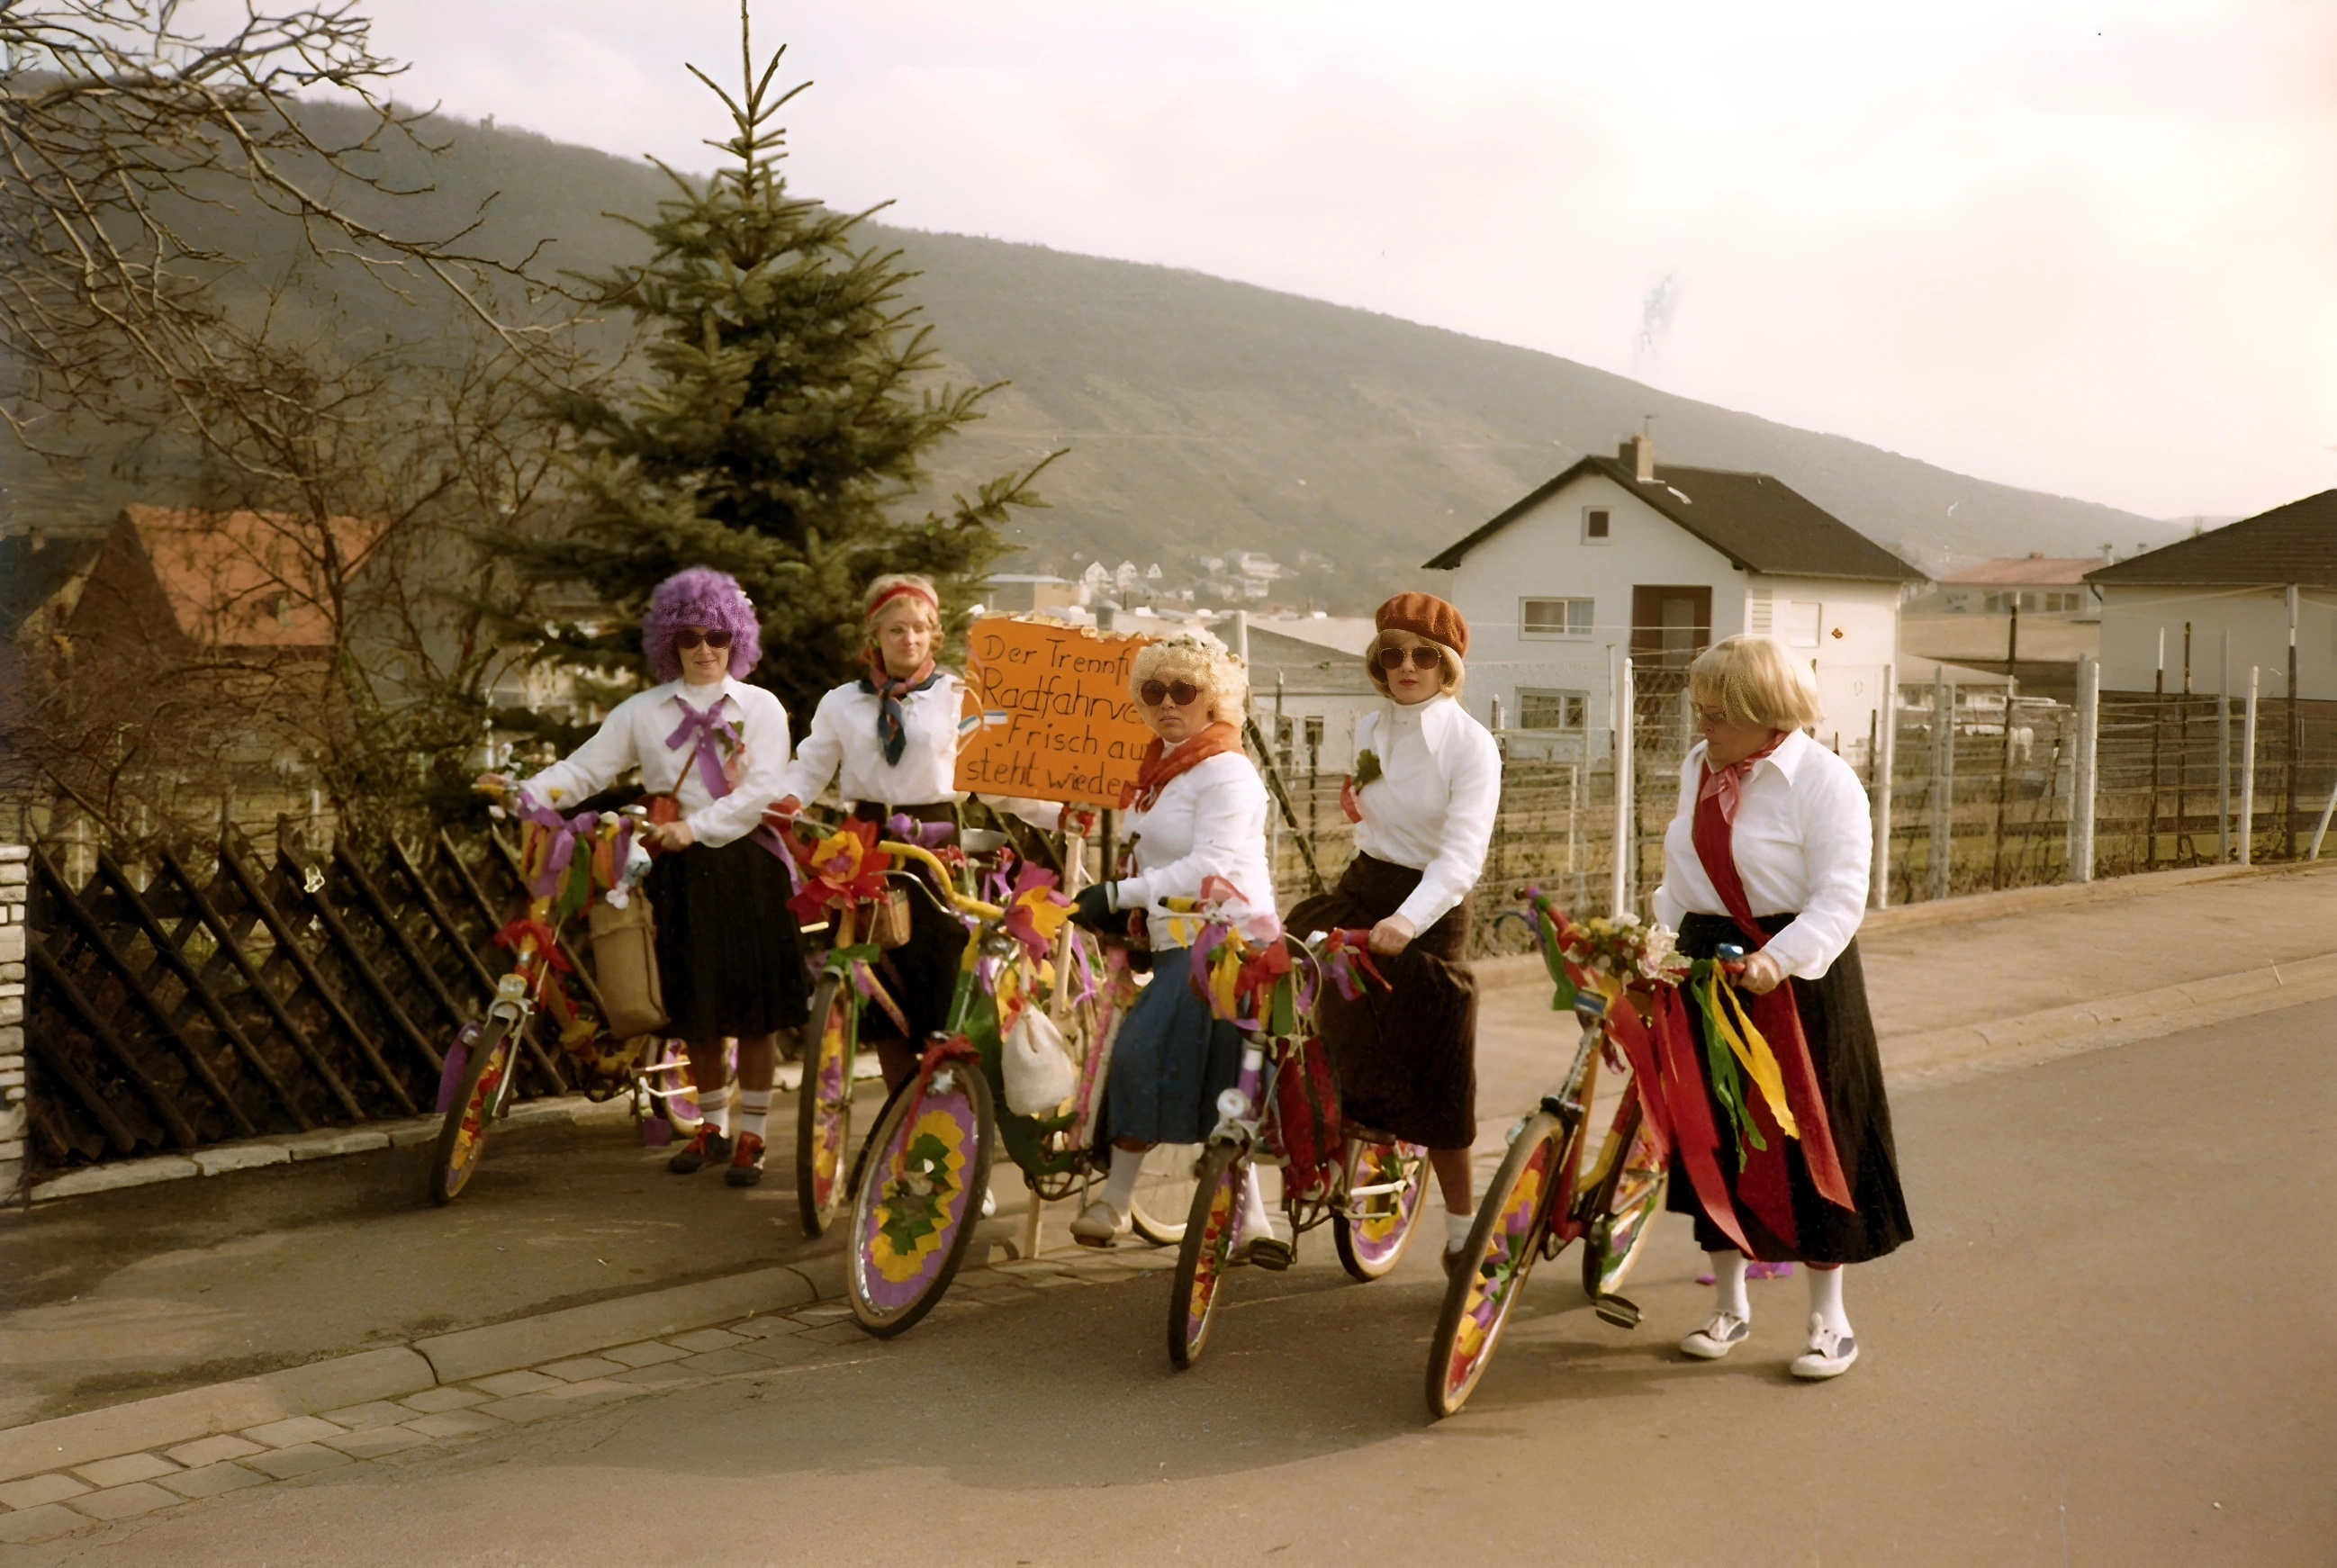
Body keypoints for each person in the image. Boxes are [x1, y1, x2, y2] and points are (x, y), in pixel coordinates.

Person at [482, 568, 805, 1189]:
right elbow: (586, 770)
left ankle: (755, 1138)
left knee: (757, 1013)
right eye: (689, 638)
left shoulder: (761, 708)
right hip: (680, 874)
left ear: (736, 638)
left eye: (716, 636)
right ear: (670, 644)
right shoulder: (643, 712)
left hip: (747, 867)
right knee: (696, 1009)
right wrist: (527, 794)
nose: (704, 649)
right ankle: (711, 1129)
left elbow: (764, 789)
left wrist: (697, 826)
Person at [1651, 634, 1913, 1380]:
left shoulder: (1826, 783)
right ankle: (1728, 1305)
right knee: (1715, 1133)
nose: (1703, 727)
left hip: (1794, 975)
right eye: (1699, 711)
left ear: (1767, 714)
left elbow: (1840, 898)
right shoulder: (1698, 769)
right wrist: (1657, 941)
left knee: (1813, 1138)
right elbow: (1681, 874)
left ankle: (1829, 1320)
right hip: (1706, 965)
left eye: (1716, 714)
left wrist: (1778, 960)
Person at [771, 572, 1068, 1092]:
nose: (908, 639)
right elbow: (810, 768)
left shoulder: (960, 697)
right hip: (865, 844)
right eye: (896, 630)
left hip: (936, 845)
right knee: (880, 976)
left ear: (935, 635)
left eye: (919, 629)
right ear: (876, 638)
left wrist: (1057, 813)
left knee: (938, 969)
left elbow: (995, 779)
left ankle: (945, 1103)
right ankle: (896, 1108)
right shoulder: (841, 702)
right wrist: (784, 801)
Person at [1285, 592, 1500, 1273]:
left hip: (1427, 911)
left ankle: (1462, 1229)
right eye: (1392, 655)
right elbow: (1369, 818)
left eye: (1424, 655)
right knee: (1316, 1010)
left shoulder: (1472, 746)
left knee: (1440, 1070)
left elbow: (1461, 858)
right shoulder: (1371, 729)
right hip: (1366, 885)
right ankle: (1321, 1155)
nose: (1407, 666)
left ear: (1448, 666)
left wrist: (1407, 921)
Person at [1064, 633, 1281, 1254]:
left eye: (1183, 690)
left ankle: (1116, 1203)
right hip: (1173, 939)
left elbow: (1209, 864)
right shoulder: (1160, 767)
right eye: (1154, 691)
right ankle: (1247, 1223)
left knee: (1143, 1053)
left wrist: (1118, 896)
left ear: (1214, 700)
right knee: (1218, 1076)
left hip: (1228, 944)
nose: (1167, 703)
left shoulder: (1227, 772)